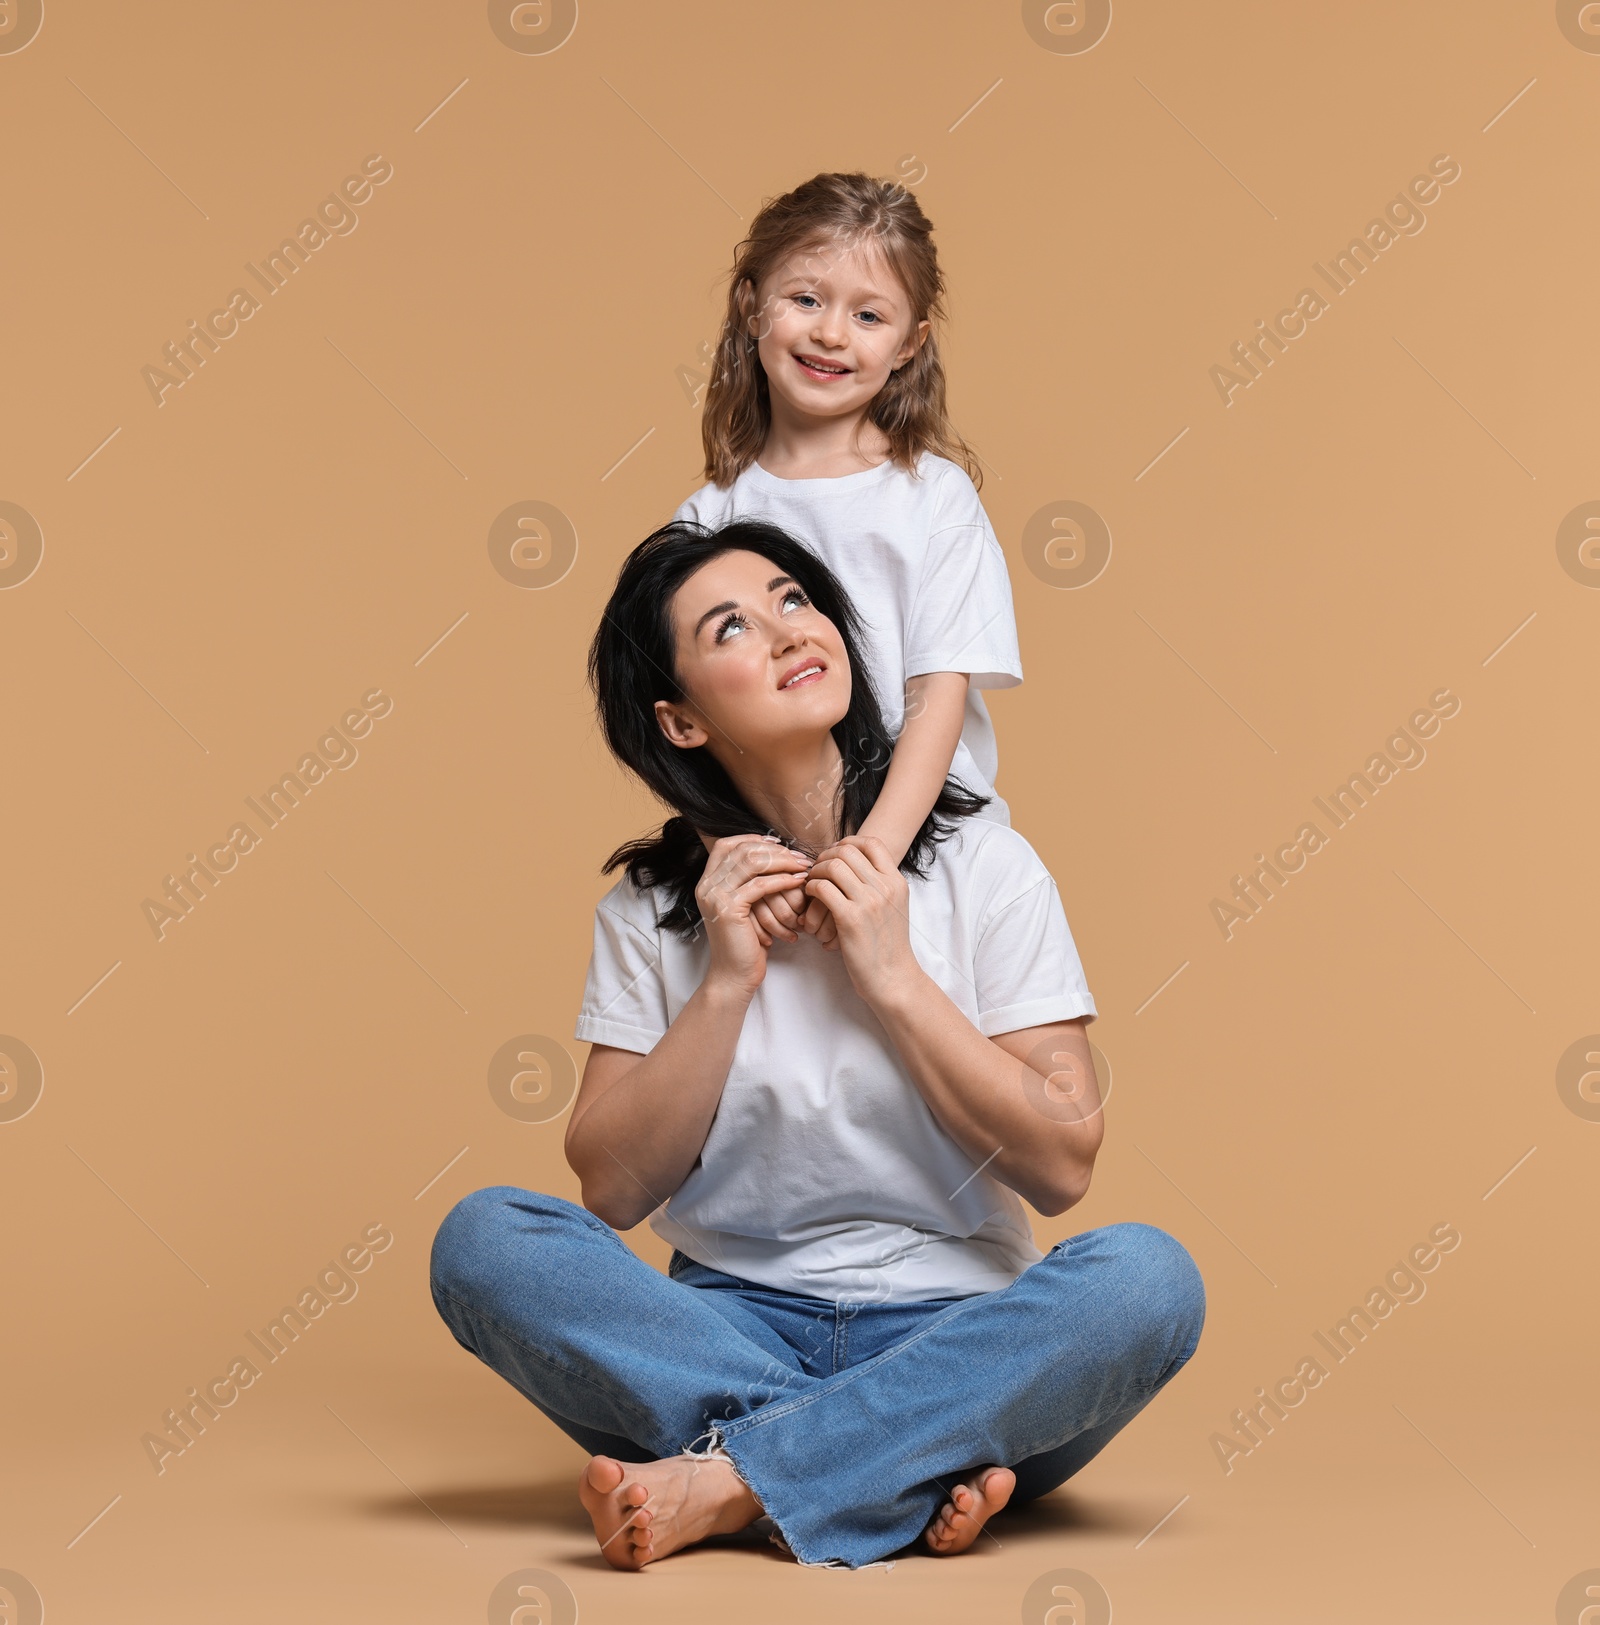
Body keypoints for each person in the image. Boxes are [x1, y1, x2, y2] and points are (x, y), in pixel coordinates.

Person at [429, 520, 1205, 1571]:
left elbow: (1063, 1162)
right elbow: (608, 1187)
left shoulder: (986, 862)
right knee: (484, 1240)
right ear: (679, 717)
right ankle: (896, 1469)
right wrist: (727, 978)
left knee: (1147, 1280)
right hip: (727, 1335)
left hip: (962, 1334)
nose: (789, 630)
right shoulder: (653, 908)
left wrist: (891, 973)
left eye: (794, 599)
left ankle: (729, 1478)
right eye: (733, 626)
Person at [673, 171, 1020, 954]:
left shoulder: (934, 498)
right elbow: (672, 719)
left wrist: (874, 854)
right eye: (805, 300)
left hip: (925, 853)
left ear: (908, 345)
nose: (832, 334)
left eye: (868, 315)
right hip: (774, 874)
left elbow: (937, 688)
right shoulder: (707, 519)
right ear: (750, 304)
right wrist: (729, 849)